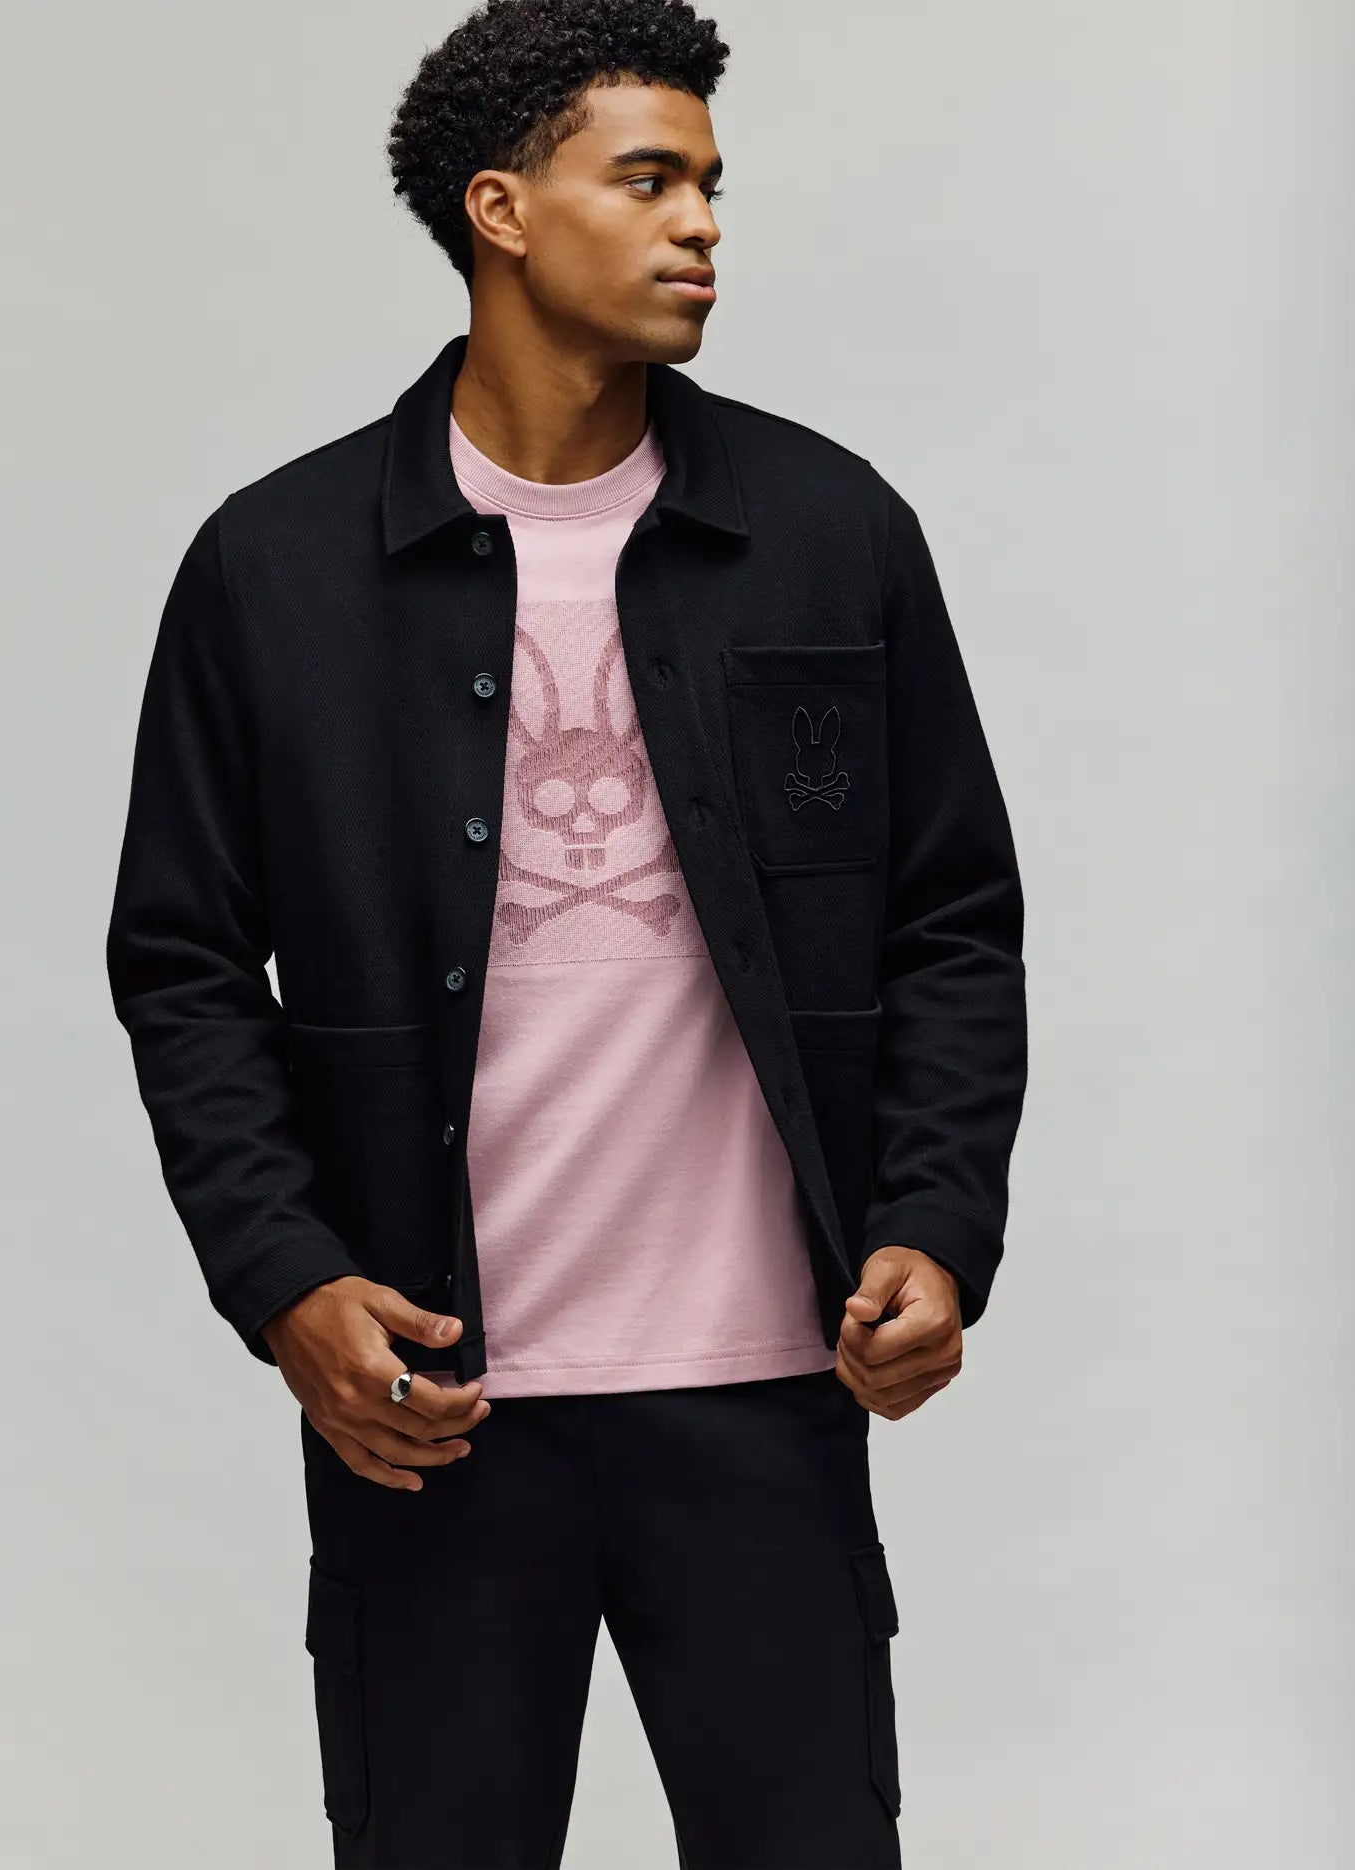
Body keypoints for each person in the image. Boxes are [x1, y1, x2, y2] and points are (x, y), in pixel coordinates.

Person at [105, 2, 1028, 1864]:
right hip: (437, 1409)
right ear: (504, 209)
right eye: (652, 178)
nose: (704, 224)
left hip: (765, 1388)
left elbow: (952, 920)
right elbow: (184, 961)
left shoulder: (829, 530)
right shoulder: (275, 569)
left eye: (713, 185)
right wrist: (285, 1280)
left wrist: (934, 1222)